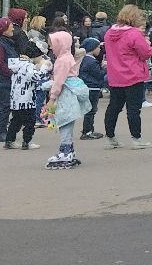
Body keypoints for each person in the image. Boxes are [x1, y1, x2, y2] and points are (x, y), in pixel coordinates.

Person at [103, 5, 152, 150]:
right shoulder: (134, 34)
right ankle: (136, 138)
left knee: (114, 106)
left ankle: (110, 137)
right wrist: (147, 44)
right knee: (133, 109)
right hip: (133, 75)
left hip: (115, 76)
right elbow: (146, 53)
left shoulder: (109, 33)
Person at [45, 31, 92, 168]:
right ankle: (68, 150)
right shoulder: (68, 57)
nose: (51, 48)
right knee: (68, 120)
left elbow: (59, 81)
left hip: (65, 94)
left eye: (52, 45)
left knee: (63, 120)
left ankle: (65, 150)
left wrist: (51, 98)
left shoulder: (61, 60)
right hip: (71, 92)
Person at [6, 48, 46, 150]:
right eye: (40, 56)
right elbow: (36, 77)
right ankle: (27, 142)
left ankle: (9, 140)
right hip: (26, 99)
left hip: (16, 98)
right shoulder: (28, 66)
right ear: (35, 56)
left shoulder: (17, 65)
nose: (41, 58)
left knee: (16, 120)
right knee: (30, 121)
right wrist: (44, 68)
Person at [78, 38, 107, 139]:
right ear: (92, 48)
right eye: (98, 47)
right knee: (91, 110)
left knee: (91, 109)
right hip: (92, 87)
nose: (99, 49)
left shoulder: (86, 60)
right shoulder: (91, 62)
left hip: (88, 86)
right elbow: (99, 75)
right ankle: (87, 131)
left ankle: (90, 129)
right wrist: (104, 68)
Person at [0, 18, 14, 141]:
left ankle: (1, 130)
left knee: (4, 105)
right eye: (11, 26)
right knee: (4, 105)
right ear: (3, 29)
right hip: (0, 80)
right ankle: (0, 132)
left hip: (2, 79)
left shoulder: (4, 42)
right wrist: (12, 74)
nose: (13, 28)